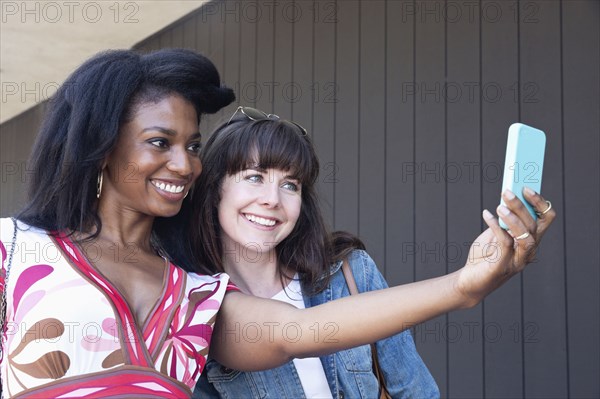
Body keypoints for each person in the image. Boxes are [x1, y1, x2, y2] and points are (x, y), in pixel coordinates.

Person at [0, 49, 555, 399]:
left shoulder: (195, 293)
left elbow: (300, 332)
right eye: (159, 143)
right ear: (99, 146)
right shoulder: (16, 248)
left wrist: (463, 286)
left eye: (193, 145)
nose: (185, 163)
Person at [186, 107, 439, 398]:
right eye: (255, 177)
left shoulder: (351, 273)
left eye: (290, 185)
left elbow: (417, 392)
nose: (272, 200)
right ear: (215, 187)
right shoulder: (193, 310)